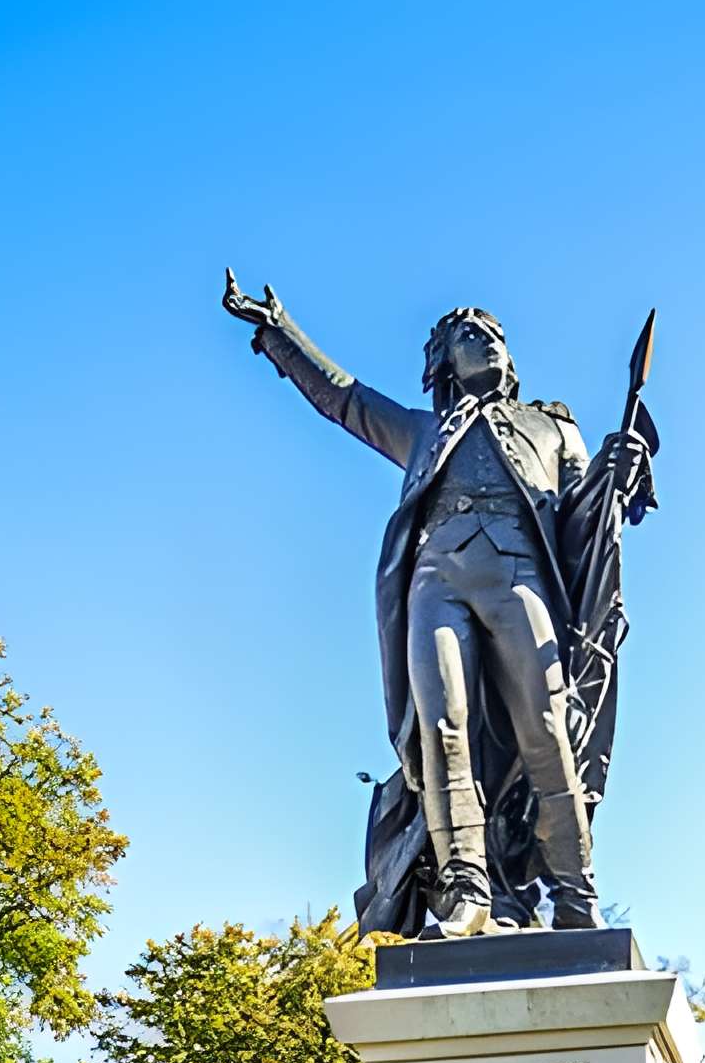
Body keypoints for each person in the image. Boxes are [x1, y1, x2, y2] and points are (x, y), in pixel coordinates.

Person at [223, 279, 653, 937]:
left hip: (520, 578)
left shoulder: (554, 427)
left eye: (495, 334)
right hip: (435, 581)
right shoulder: (422, 430)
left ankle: (574, 889)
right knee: (443, 727)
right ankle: (465, 889)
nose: (487, 341)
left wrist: (619, 470)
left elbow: (584, 510)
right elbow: (344, 398)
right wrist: (276, 331)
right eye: (468, 334)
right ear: (444, 360)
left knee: (545, 725)